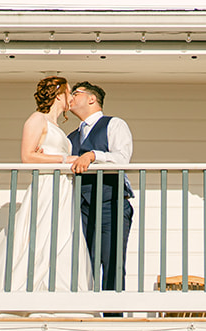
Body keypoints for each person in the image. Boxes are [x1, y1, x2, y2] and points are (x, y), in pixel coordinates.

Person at [0, 76, 84, 293]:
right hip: (46, 186)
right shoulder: (37, 120)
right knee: (41, 232)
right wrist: (64, 160)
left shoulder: (55, 125)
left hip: (63, 187)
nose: (71, 97)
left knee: (61, 236)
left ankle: (57, 290)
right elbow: (27, 156)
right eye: (69, 92)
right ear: (59, 94)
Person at [67, 81, 134, 296]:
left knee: (111, 261)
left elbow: (122, 159)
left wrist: (94, 155)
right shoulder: (71, 137)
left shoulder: (114, 124)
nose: (70, 98)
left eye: (75, 93)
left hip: (110, 204)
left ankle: (113, 317)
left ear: (91, 99)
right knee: (83, 263)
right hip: (81, 207)